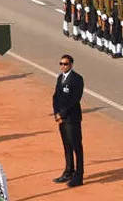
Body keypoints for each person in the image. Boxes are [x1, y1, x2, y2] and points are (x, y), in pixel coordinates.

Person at [52, 54, 84, 187]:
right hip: (62, 119)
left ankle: (79, 175)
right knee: (67, 145)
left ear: (71, 65)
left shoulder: (77, 79)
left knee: (77, 146)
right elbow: (55, 97)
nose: (62, 66)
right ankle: (68, 171)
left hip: (72, 118)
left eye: (65, 64)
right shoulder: (60, 78)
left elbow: (75, 99)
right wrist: (56, 114)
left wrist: (62, 114)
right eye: (61, 64)